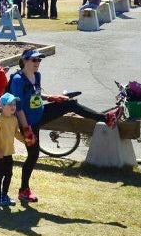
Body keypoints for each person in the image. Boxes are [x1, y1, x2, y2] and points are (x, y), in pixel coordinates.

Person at [6, 50, 111, 204]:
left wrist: (50, 97)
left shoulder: (37, 75)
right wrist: (27, 129)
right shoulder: (17, 80)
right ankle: (24, 190)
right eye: (34, 60)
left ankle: (106, 118)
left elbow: (35, 94)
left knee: (70, 103)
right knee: (33, 156)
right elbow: (18, 106)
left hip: (41, 113)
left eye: (39, 60)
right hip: (28, 122)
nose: (37, 63)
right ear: (25, 60)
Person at [0, 92, 21, 209]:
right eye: (10, 104)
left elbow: (16, 133)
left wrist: (26, 140)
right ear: (2, 106)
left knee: (9, 174)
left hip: (9, 153)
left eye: (14, 104)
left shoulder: (14, 119)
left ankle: (5, 195)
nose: (13, 107)